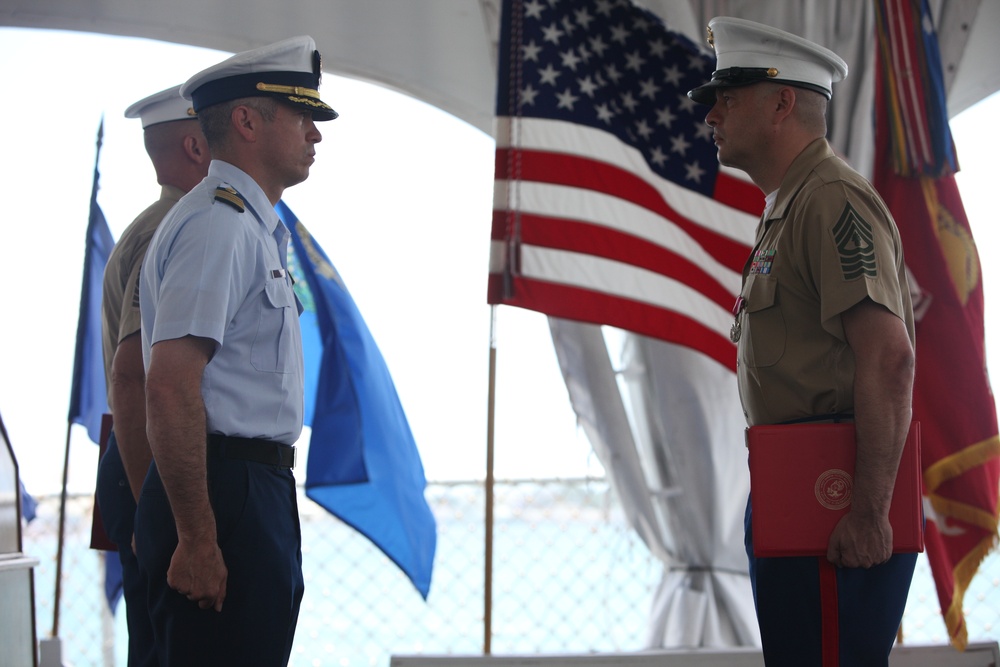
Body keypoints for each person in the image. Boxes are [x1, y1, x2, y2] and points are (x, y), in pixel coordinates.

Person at [688, 17, 917, 666]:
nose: (712, 116)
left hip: (837, 498)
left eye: (726, 99)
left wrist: (870, 510)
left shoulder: (831, 201)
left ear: (782, 102)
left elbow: (889, 355)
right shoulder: (793, 203)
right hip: (800, 493)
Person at [136, 35, 337, 666]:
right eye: (302, 115)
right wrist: (198, 537)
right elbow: (169, 384)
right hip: (223, 490)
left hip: (247, 487)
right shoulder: (218, 225)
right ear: (247, 121)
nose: (316, 133)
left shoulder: (246, 224)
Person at [97, 84, 209, 667]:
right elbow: (133, 378)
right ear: (195, 145)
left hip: (143, 458)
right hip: (149, 462)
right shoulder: (174, 229)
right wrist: (152, 509)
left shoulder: (162, 223)